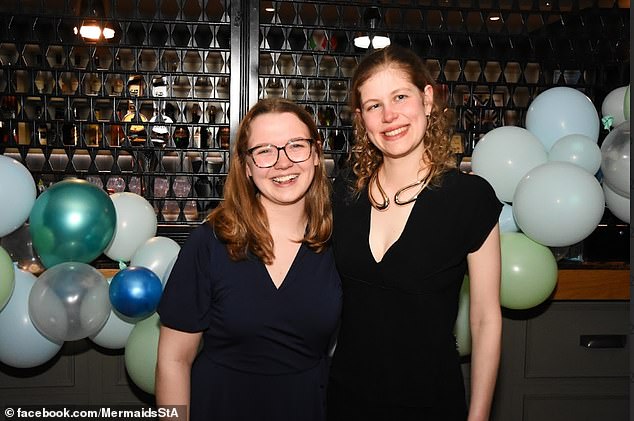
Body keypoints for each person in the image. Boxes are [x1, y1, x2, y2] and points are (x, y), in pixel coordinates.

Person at [327, 45, 502, 421]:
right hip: (345, 401)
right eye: (374, 105)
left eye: (400, 97)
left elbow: (486, 319)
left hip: (431, 403)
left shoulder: (469, 198)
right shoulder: (342, 194)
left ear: (426, 99)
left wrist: (480, 415)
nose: (389, 116)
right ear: (361, 118)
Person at [156, 98, 342, 421]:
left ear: (315, 154)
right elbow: (174, 360)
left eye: (296, 145)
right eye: (265, 151)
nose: (282, 163)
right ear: (246, 166)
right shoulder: (209, 243)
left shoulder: (339, 241)